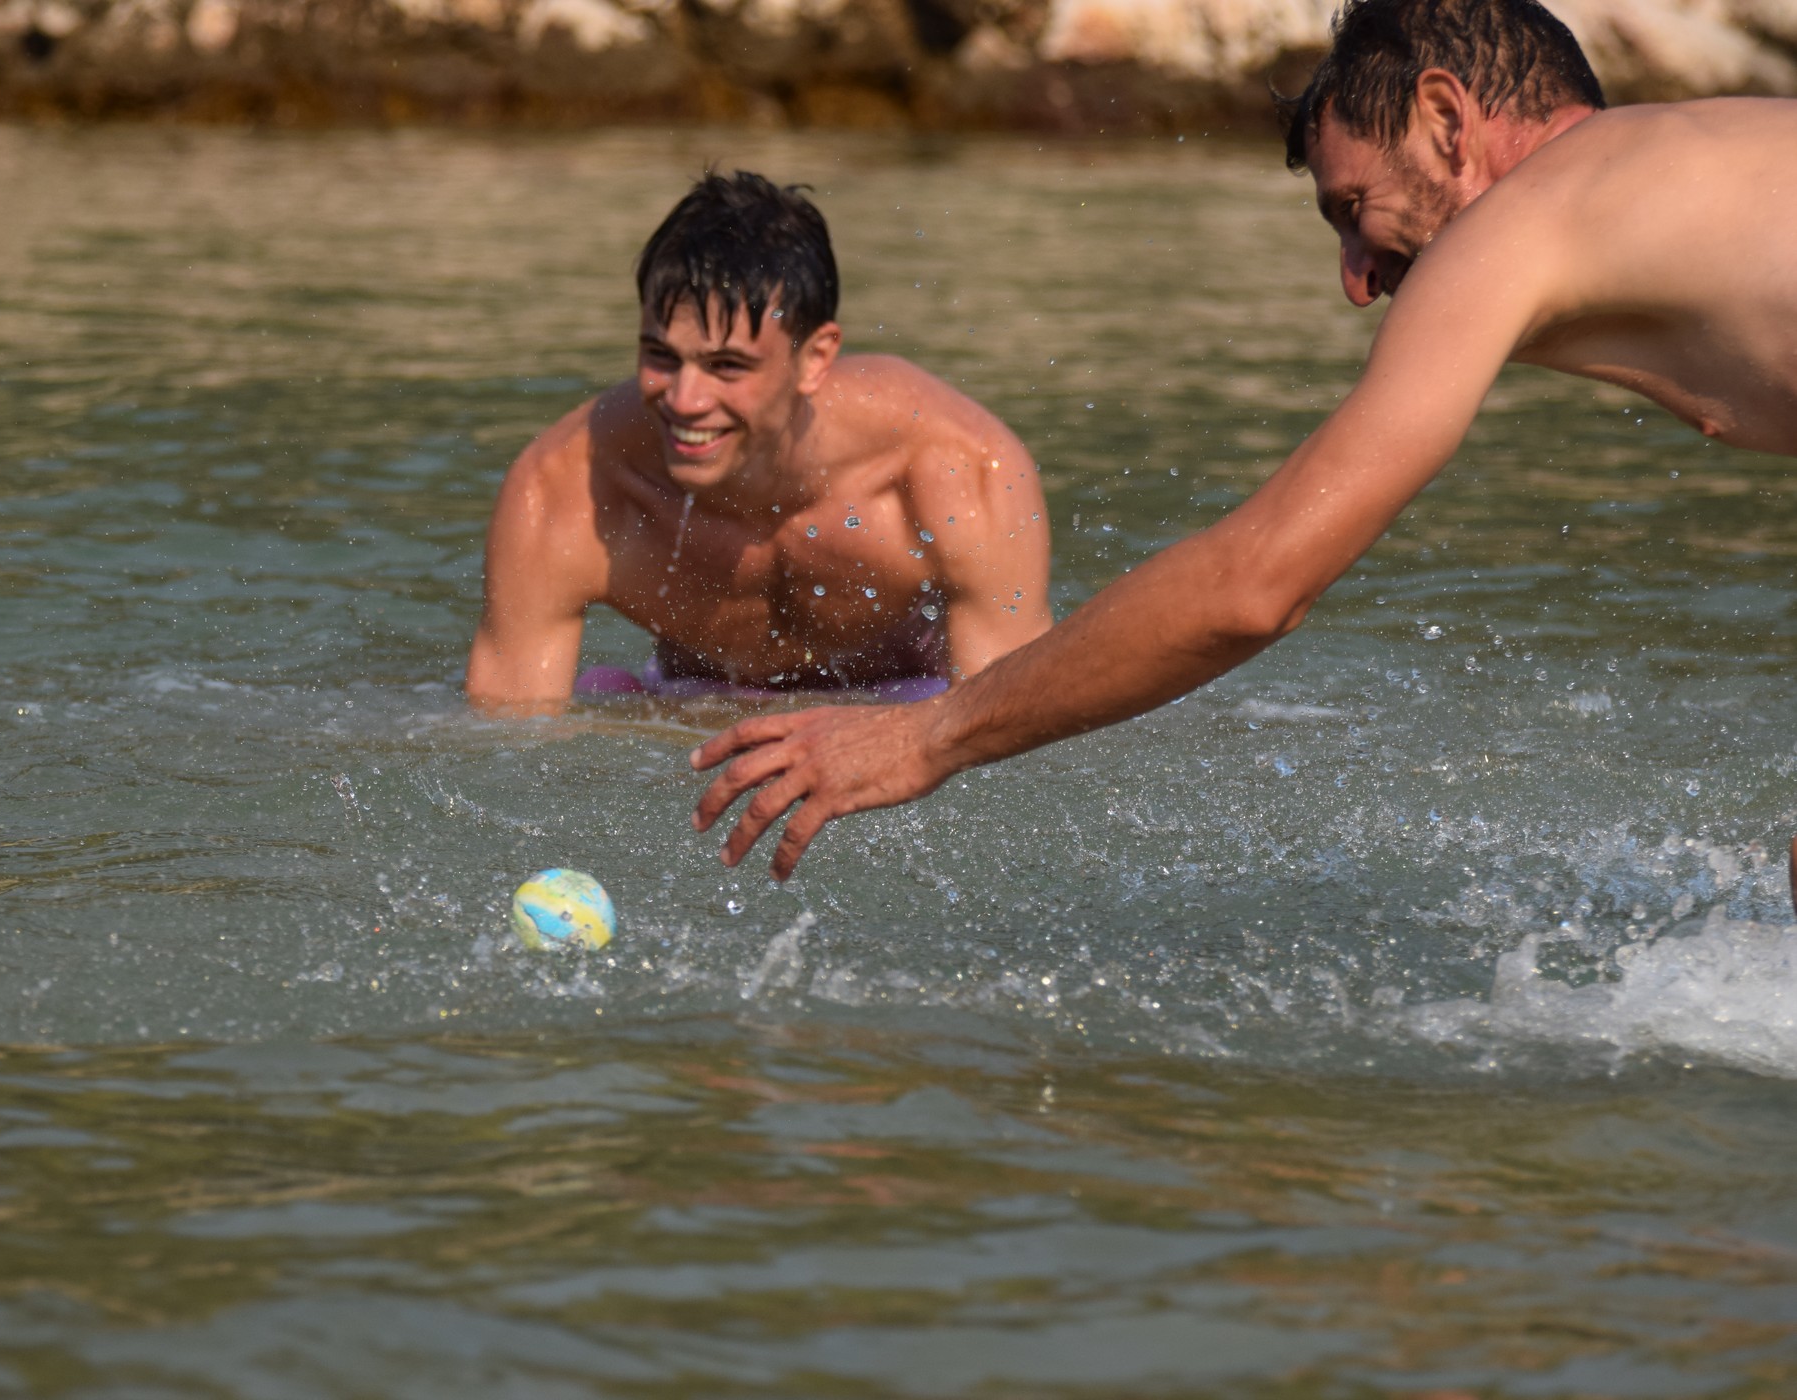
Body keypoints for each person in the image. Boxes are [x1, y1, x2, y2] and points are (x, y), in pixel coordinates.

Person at [690, 0, 1797, 879]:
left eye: (1353, 208)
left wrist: (929, 736)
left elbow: (1254, 584)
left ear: (1446, 118)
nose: (1357, 282)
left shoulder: (1519, 223)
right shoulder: (1714, 153)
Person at [464, 170, 1052, 712]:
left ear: (814, 358)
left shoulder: (956, 464)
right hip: (690, 709)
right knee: (604, 697)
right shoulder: (568, 484)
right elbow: (504, 742)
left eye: (727, 366)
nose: (685, 400)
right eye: (661, 356)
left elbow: (1011, 722)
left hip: (897, 707)